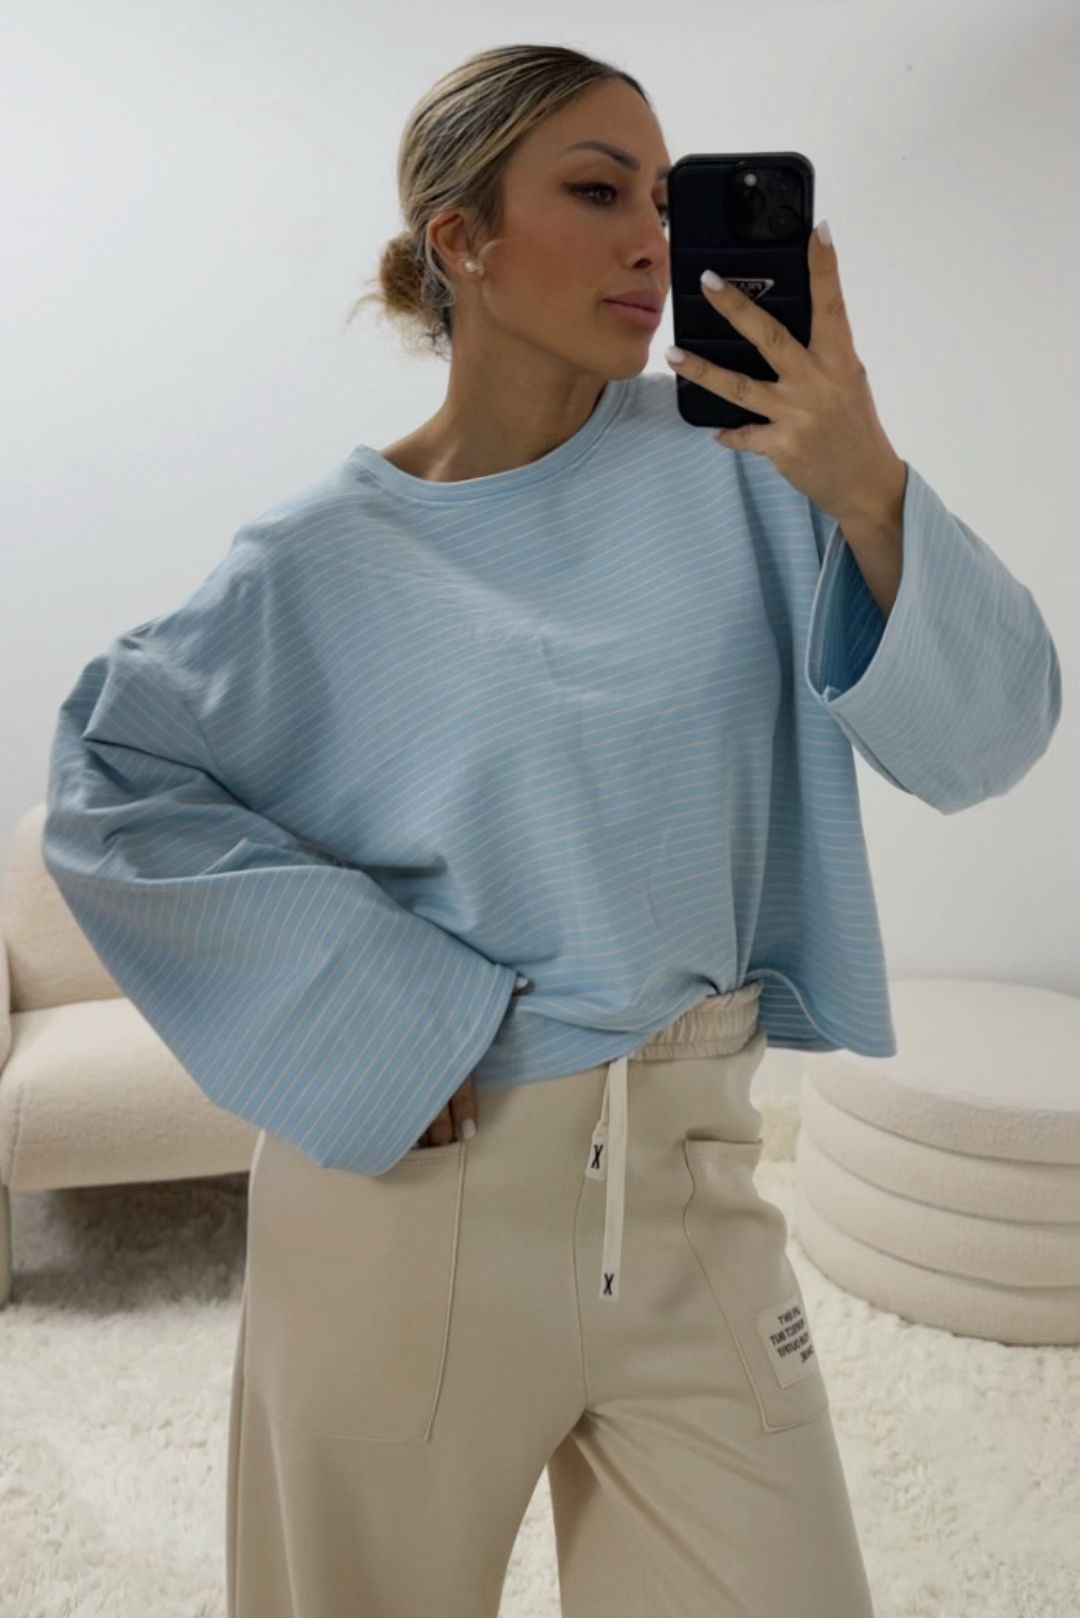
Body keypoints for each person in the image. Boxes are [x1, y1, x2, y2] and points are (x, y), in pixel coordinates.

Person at [42, 41, 1060, 1618]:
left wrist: (863, 479)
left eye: (665, 197)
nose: (654, 239)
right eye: (598, 193)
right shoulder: (317, 558)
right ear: (462, 239)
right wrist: (386, 1012)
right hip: (413, 1203)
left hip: (693, 1179)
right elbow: (107, 784)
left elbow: (992, 737)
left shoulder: (751, 470)